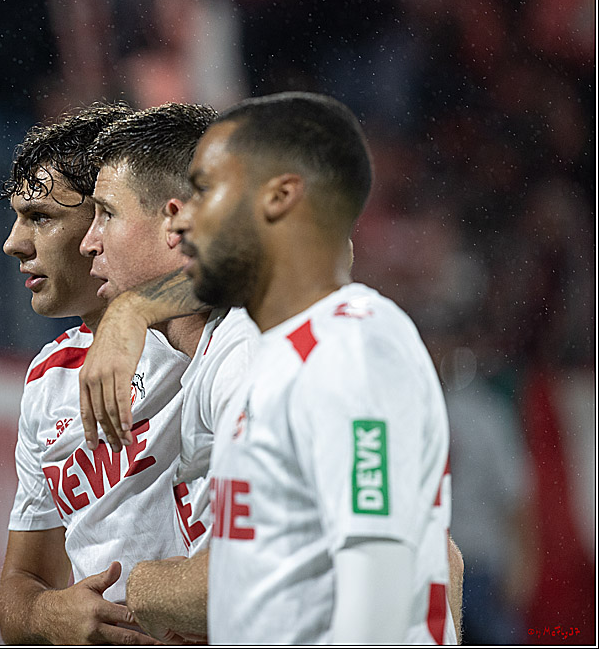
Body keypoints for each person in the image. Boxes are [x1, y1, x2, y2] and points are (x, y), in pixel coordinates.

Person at [111, 92, 454, 643]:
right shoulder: (271, 359)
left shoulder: (352, 348)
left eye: (202, 189)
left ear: (279, 196)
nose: (178, 221)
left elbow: (380, 594)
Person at [0, 102, 214, 645]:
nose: (14, 243)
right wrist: (48, 615)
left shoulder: (212, 330)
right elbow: (21, 583)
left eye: (41, 217)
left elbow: (294, 260)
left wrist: (132, 310)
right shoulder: (48, 379)